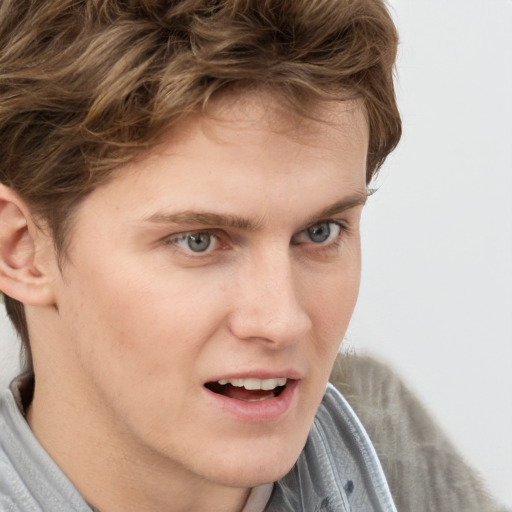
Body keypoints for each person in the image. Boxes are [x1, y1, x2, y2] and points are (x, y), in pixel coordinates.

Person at [0, 1, 504, 511]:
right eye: (198, 240)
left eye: (320, 231)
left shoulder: (397, 442)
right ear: (20, 248)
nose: (283, 321)